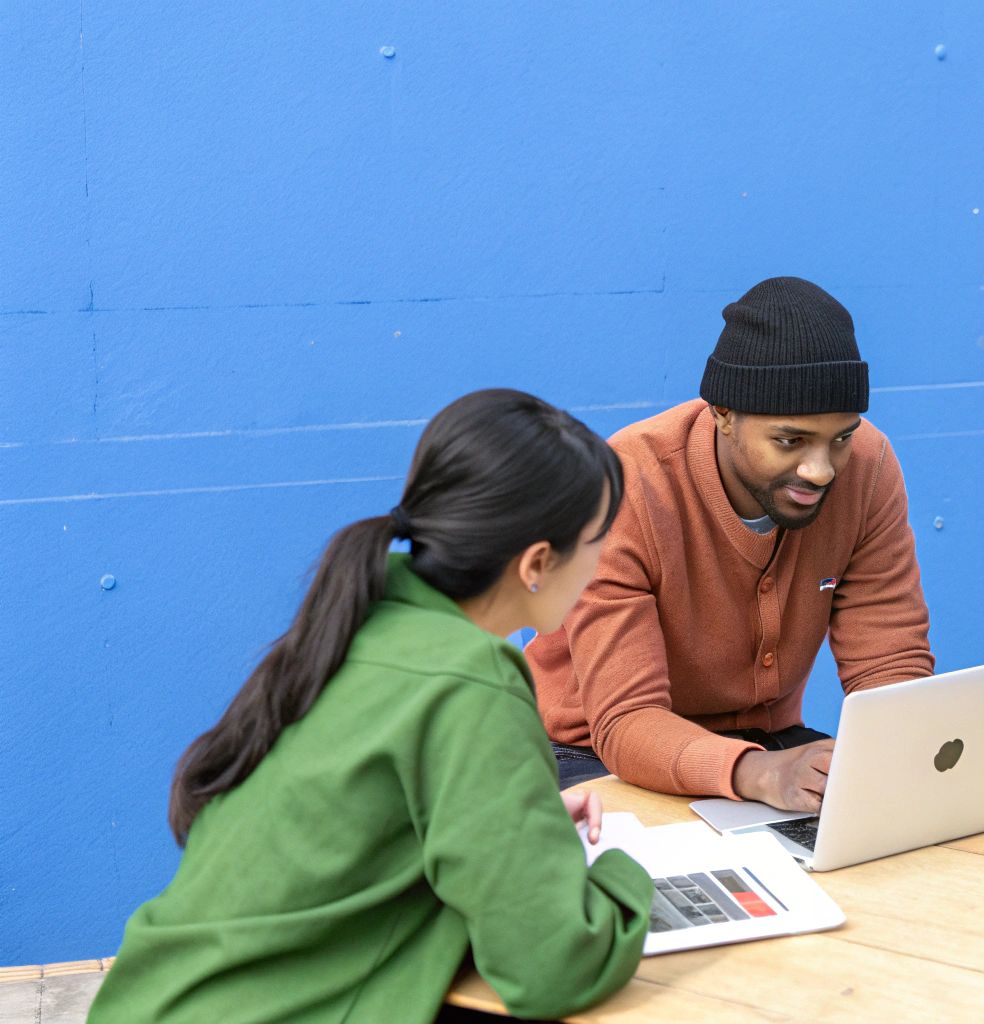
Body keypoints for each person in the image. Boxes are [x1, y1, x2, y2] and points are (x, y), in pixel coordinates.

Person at [89, 390, 652, 1024]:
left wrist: (524, 823)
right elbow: (553, 967)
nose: (603, 559)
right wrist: (629, 873)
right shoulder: (473, 675)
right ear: (537, 563)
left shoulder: (363, 625)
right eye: (597, 539)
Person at [528, 276, 933, 811]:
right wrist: (761, 773)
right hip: (587, 755)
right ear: (722, 413)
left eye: (840, 437)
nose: (820, 469)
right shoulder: (626, 485)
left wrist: (896, 754)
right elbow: (627, 720)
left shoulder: (867, 467)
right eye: (790, 441)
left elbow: (889, 660)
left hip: (765, 745)